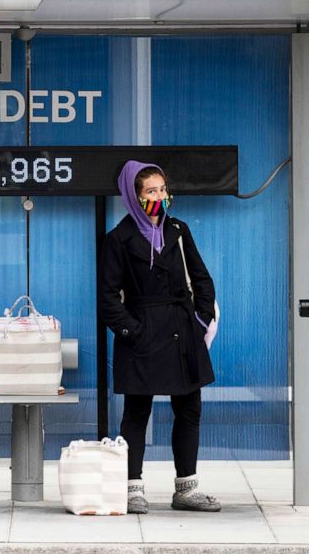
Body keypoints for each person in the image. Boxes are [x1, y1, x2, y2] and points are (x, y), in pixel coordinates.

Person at [98, 160, 221, 514]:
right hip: (143, 331)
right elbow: (107, 298)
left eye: (162, 190)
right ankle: (132, 487)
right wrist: (132, 331)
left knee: (189, 409)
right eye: (151, 191)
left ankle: (186, 489)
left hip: (184, 332)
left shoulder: (179, 231)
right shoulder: (118, 238)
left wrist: (200, 320)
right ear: (134, 196)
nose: (159, 197)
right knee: (137, 411)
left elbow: (202, 279)